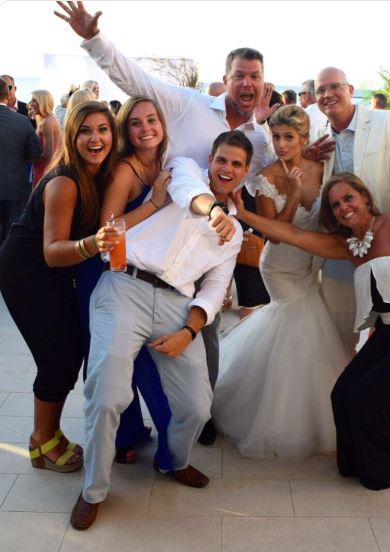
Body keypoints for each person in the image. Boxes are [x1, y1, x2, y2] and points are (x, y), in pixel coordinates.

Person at [54, 2, 278, 443]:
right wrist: (94, 40)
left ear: (263, 81)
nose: (247, 83)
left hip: (197, 251)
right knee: (118, 350)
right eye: (239, 75)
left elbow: (256, 185)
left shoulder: (259, 140)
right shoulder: (187, 104)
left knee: (200, 335)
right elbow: (135, 80)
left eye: (254, 76)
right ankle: (126, 435)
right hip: (141, 231)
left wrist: (298, 160)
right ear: (226, 78)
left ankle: (196, 418)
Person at [231, 170, 390, 489]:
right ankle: (355, 462)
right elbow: (293, 234)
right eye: (336, 205)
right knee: (342, 393)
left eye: (348, 198)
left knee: (368, 398)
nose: (343, 207)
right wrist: (244, 215)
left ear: (365, 197)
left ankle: (387, 466)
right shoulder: (348, 245)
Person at [69, 130, 248, 531]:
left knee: (198, 407)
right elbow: (188, 194)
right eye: (222, 159)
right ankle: (93, 491)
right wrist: (213, 211)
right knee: (108, 395)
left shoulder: (235, 233)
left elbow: (216, 287)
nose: (227, 168)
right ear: (210, 159)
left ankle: (173, 462)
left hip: (177, 306)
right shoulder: (184, 170)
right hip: (125, 286)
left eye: (236, 164)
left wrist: (189, 331)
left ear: (245, 172)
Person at [212, 106, 349, 457]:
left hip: (311, 264)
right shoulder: (266, 178)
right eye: (276, 137)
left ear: (304, 138)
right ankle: (282, 418)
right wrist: (294, 194)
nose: (282, 144)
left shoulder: (322, 167)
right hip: (280, 266)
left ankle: (313, 410)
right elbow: (275, 234)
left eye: (289, 137)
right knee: (298, 329)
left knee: (308, 333)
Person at [0, 101, 117, 475]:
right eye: (85, 131)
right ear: (72, 136)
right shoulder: (65, 182)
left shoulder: (97, 174)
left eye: (103, 129)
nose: (95, 138)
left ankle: (48, 433)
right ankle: (41, 438)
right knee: (57, 357)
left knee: (68, 352)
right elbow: (52, 253)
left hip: (52, 274)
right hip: (26, 272)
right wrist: (94, 243)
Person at [75, 95, 174, 468]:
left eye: (152, 120)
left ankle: (136, 433)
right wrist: (154, 204)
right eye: (135, 122)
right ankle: (123, 436)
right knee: (118, 357)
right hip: (107, 272)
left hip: (144, 275)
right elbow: (108, 229)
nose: (146, 128)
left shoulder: (166, 162)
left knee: (140, 359)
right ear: (125, 131)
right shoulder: (125, 170)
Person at [311, 66, 390, 354]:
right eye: (320, 90)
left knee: (387, 336)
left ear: (350, 89)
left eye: (334, 86)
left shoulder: (387, 123)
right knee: (338, 336)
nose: (328, 94)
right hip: (339, 254)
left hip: (386, 252)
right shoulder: (317, 136)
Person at [0, 77, 41, 242]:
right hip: (16, 187)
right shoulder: (22, 121)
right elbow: (35, 153)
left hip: (15, 188)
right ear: (8, 95)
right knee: (11, 236)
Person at [30, 89, 63, 188]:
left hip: (44, 172)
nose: (31, 104)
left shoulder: (47, 123)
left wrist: (29, 158)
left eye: (34, 100)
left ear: (43, 102)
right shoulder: (49, 119)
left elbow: (48, 155)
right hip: (46, 171)